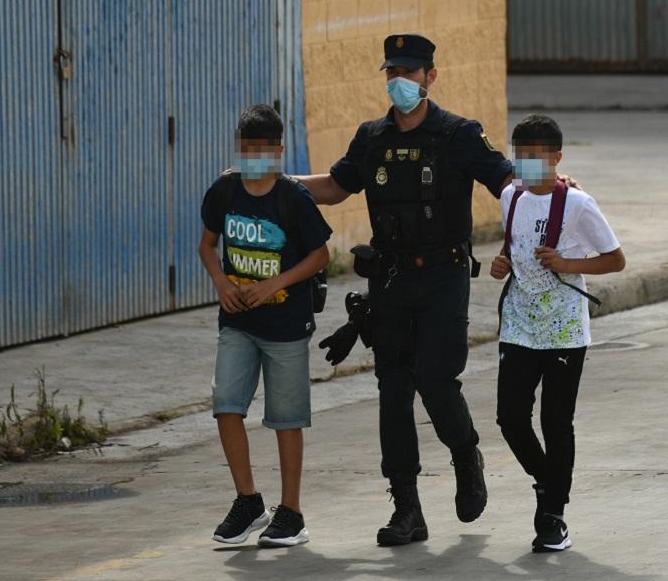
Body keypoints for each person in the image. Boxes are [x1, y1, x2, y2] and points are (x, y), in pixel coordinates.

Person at [298, 34, 513, 546]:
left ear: (430, 77)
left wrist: (547, 186)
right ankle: (407, 510)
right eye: (392, 71)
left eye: (410, 72)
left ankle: (465, 454)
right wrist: (276, 181)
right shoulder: (371, 137)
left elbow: (505, 180)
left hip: (443, 278)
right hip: (391, 280)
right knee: (393, 392)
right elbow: (335, 185)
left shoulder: (458, 133)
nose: (400, 80)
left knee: (437, 382)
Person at [197, 104, 332, 547]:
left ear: (278, 151)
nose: (254, 156)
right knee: (226, 405)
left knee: (286, 419)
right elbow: (207, 245)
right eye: (246, 148)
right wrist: (220, 282)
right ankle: (247, 500)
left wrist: (276, 281)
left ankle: (291, 512)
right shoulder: (224, 191)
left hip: (286, 326)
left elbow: (320, 255)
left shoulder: (293, 198)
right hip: (237, 322)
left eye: (262, 149)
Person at [490, 114, 625, 553]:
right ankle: (549, 482)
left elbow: (615, 259)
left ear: (556, 158)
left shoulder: (578, 204)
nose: (526, 165)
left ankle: (552, 516)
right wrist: (501, 263)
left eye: (535, 157)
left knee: (555, 420)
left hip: (565, 328)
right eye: (520, 156)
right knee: (510, 416)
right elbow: (512, 246)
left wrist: (569, 264)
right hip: (519, 323)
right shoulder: (510, 195)